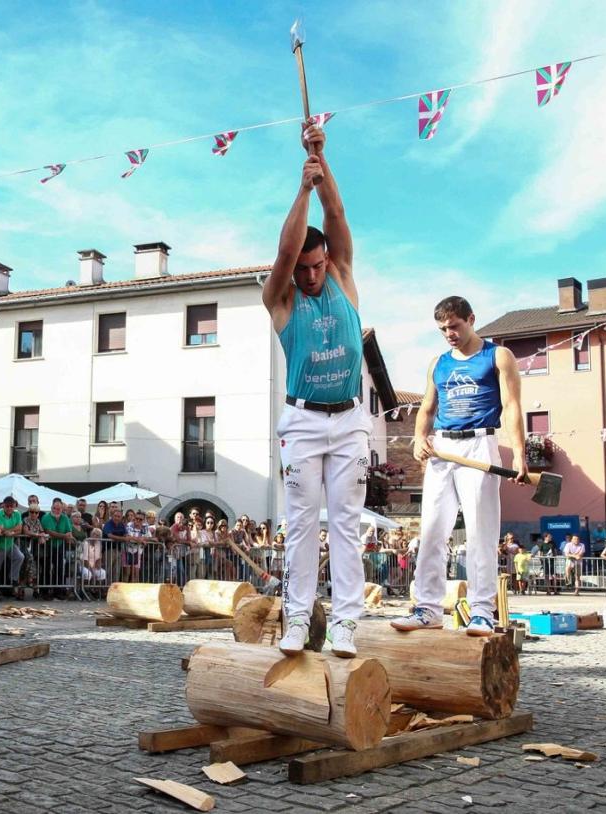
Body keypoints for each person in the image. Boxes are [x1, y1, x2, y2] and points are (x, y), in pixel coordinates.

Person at [261, 121, 366, 656]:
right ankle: (298, 619)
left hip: (349, 420)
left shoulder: (342, 274)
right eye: (302, 269)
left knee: (346, 523)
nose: (309, 276)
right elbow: (283, 255)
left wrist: (320, 163)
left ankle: (347, 623)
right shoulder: (282, 299)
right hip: (301, 422)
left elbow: (338, 217)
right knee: (301, 525)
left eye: (316, 266)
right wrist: (300, 188)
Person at [393, 296, 529, 639]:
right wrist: (419, 438)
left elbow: (512, 406)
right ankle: (427, 608)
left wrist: (519, 456)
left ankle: (482, 612)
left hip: (479, 444)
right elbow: (426, 407)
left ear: (471, 319)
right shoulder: (438, 363)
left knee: (481, 532)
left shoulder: (497, 356)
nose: (449, 334)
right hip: (442, 447)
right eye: (442, 329)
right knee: (432, 530)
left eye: (454, 326)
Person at [0, 496, 24, 600]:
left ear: (14, 506)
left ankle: (13, 578)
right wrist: (8, 531)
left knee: (20, 557)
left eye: (11, 506)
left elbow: (20, 529)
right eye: (7, 506)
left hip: (10, 543)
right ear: (3, 506)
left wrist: (10, 531)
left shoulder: (17, 513)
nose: (9, 508)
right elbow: (1, 530)